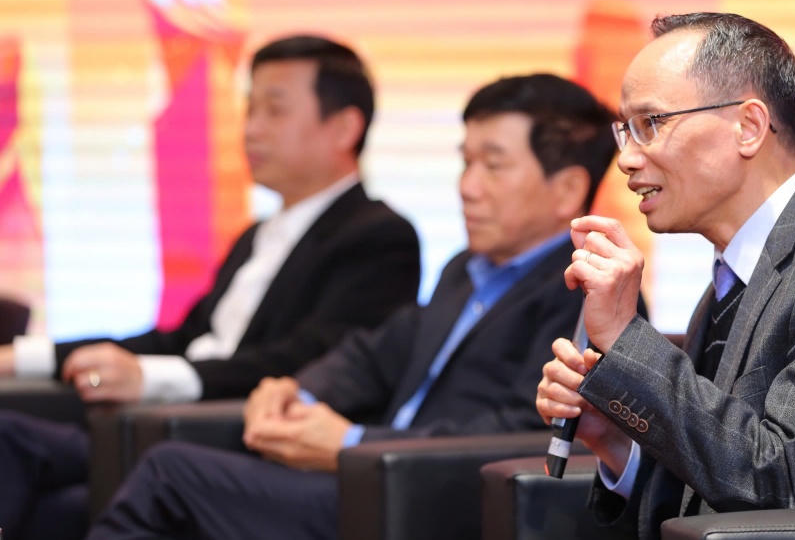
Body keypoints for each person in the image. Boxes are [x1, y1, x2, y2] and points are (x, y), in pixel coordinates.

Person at [87, 73, 627, 540]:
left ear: (566, 190)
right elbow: (374, 354)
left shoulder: (588, 294)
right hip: (368, 482)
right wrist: (296, 390)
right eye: (465, 162)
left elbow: (526, 430)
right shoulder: (465, 271)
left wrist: (354, 443)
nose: (467, 187)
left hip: (430, 504)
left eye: (493, 166)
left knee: (168, 473)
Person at [536, 12, 795, 539]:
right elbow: (714, 479)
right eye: (626, 131)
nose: (628, 159)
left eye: (651, 123)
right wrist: (616, 440)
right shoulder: (738, 273)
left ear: (749, 127)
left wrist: (624, 338)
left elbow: (779, 483)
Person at [0, 35, 421, 540]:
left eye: (274, 110)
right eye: (250, 108)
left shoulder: (379, 236)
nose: (251, 128)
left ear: (344, 128)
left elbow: (310, 360)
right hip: (159, 424)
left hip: (224, 434)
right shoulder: (253, 236)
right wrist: (27, 356)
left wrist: (152, 378)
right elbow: (183, 339)